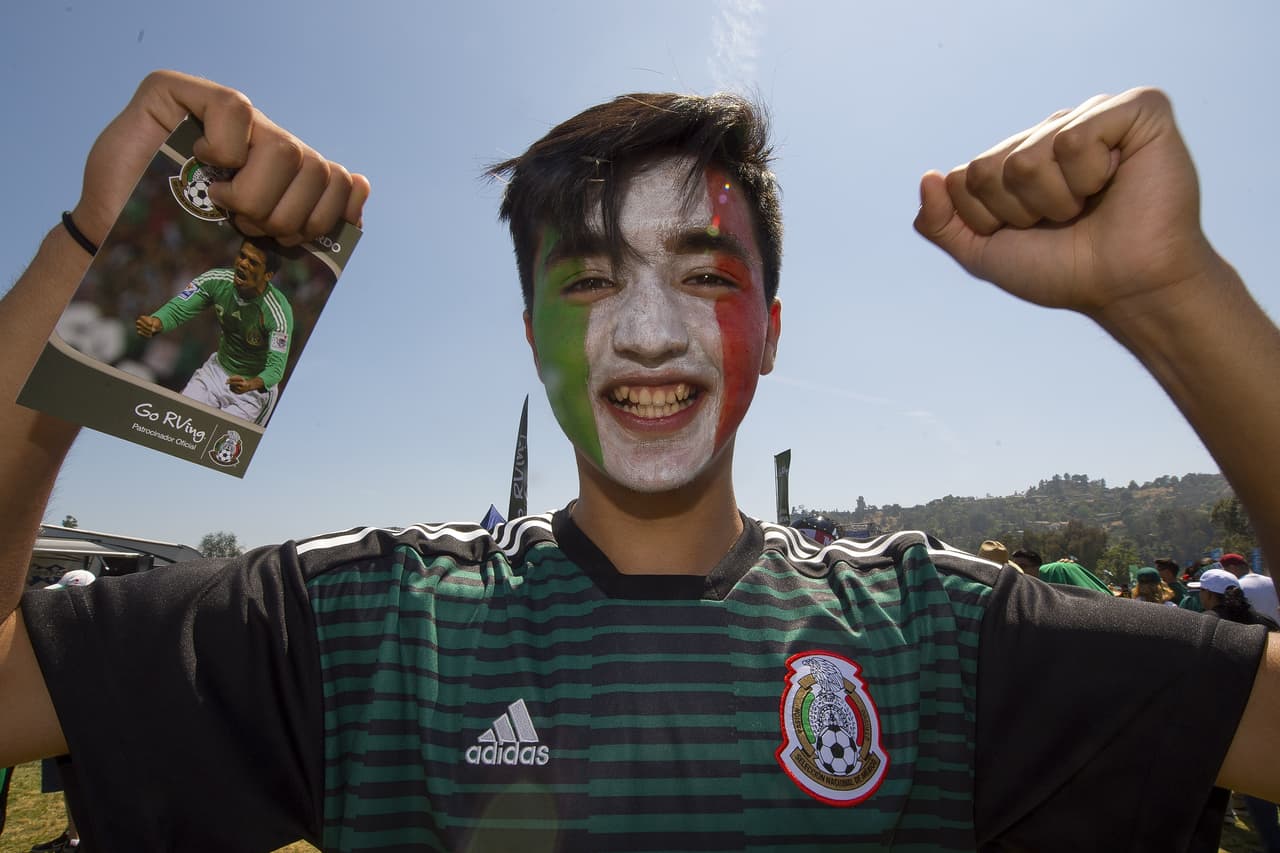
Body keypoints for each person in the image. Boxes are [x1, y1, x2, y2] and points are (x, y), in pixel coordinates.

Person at [0, 71, 1278, 852]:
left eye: (705, 276)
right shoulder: (370, 619)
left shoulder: (937, 630)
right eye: (592, 279)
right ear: (528, 335)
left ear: (771, 332)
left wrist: (1175, 293)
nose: (650, 331)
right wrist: (97, 256)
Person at [135, 236, 292, 425]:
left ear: (268, 275)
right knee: (175, 421)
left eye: (253, 262)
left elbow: (276, 369)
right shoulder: (215, 281)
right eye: (242, 256)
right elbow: (179, 308)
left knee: (216, 450)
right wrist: (157, 321)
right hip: (216, 371)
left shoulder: (278, 313)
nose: (242, 264)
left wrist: (250, 384)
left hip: (253, 391)